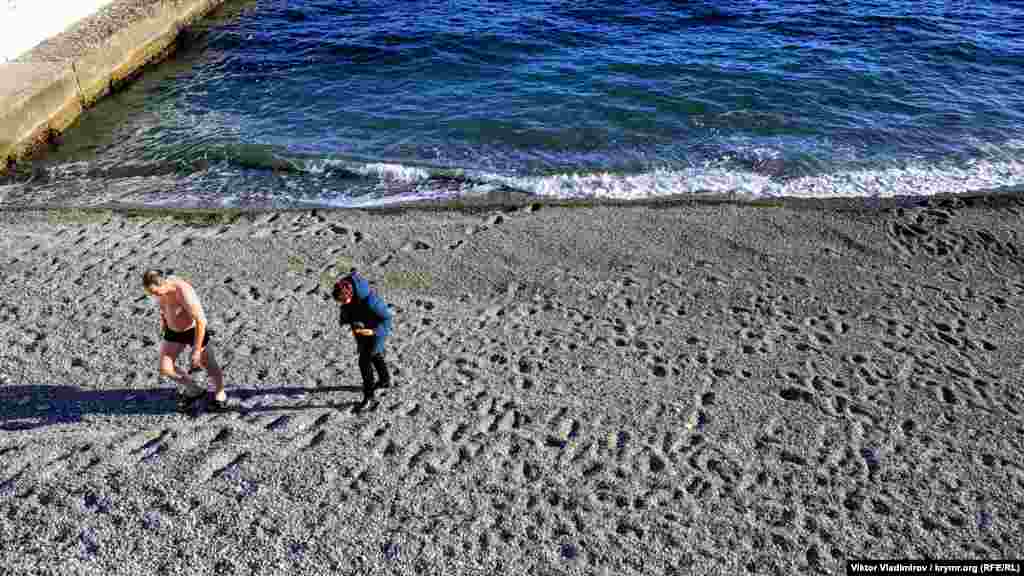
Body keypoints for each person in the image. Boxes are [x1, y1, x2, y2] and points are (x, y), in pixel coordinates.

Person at [142, 270, 227, 411]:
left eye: (155, 292)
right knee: (166, 368)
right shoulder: (162, 290)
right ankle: (194, 390)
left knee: (209, 364)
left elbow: (201, 321)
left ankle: (220, 393)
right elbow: (164, 305)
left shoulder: (183, 292)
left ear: (163, 283)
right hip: (173, 331)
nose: (153, 295)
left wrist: (197, 350)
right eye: (151, 292)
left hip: (194, 331)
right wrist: (164, 319)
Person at [332, 269, 392, 408]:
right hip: (363, 333)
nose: (343, 303)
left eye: (344, 300)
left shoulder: (371, 302)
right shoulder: (349, 299)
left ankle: (369, 396)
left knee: (364, 362)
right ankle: (384, 380)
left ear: (350, 293)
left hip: (375, 334)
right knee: (375, 355)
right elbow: (350, 312)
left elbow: (387, 318)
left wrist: (373, 331)